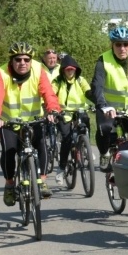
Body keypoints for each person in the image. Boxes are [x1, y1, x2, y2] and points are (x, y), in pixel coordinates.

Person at [0, 42, 61, 204]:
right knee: (9, 151)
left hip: (34, 121)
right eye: (18, 59)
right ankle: (9, 185)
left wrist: (53, 110)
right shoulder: (1, 73)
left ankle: (42, 181)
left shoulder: (38, 70)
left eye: (26, 60)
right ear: (11, 61)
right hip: (9, 123)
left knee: (42, 145)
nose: (22, 63)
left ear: (31, 61)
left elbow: (48, 92)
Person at [90, 26, 128, 171]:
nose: (122, 48)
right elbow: (97, 85)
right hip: (109, 109)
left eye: (126, 44)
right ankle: (104, 153)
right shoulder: (103, 60)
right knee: (105, 129)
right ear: (112, 45)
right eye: (118, 44)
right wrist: (103, 105)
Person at [52, 54, 93, 187]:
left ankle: (85, 148)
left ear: (76, 70)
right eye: (68, 69)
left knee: (85, 126)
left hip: (79, 111)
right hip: (63, 113)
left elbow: (88, 92)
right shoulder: (57, 81)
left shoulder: (80, 80)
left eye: (72, 69)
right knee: (67, 139)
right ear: (63, 70)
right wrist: (53, 109)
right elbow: (51, 95)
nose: (70, 72)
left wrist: (98, 101)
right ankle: (61, 168)